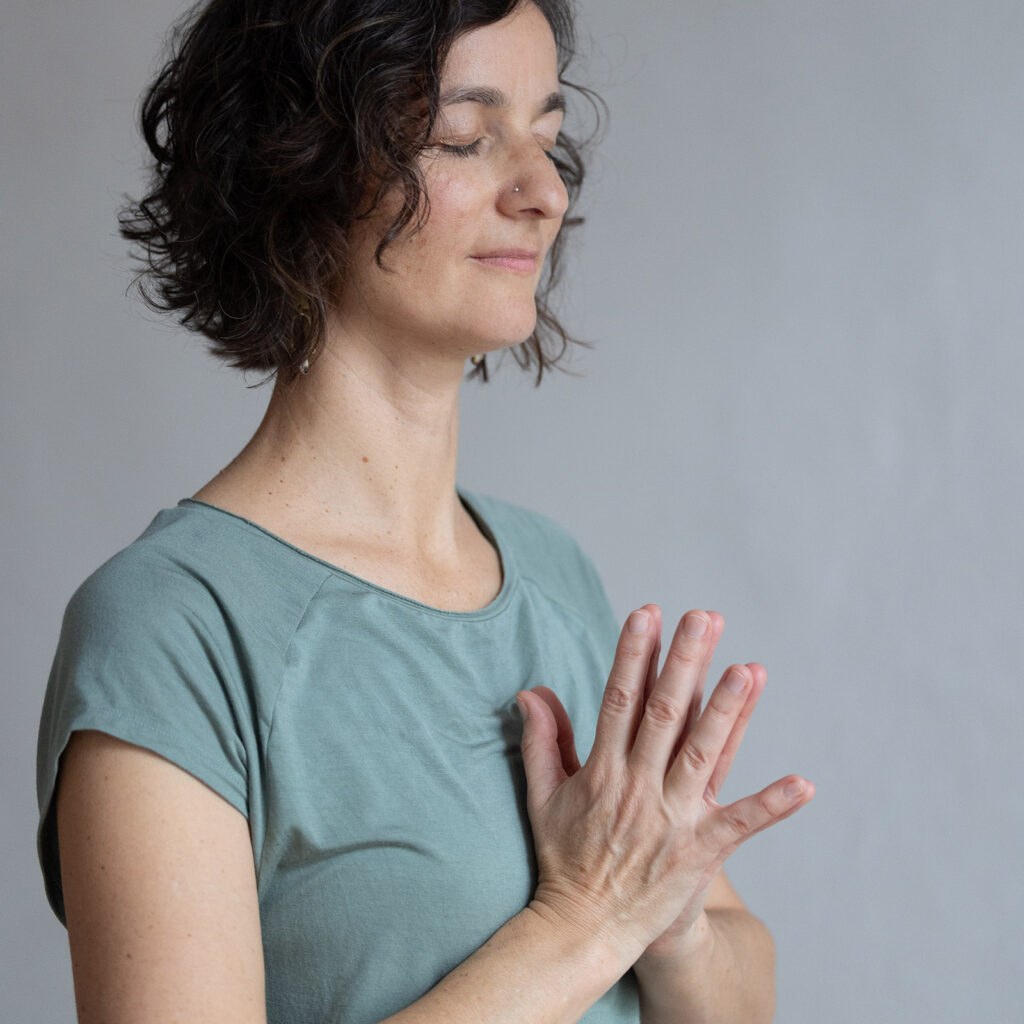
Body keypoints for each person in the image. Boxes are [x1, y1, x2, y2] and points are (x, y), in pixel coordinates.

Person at [36, 1, 815, 1021]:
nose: (542, 193)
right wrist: (586, 916)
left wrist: (663, 916)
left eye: (548, 137)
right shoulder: (171, 629)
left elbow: (739, 992)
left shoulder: (550, 568)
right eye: (465, 138)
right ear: (297, 170)